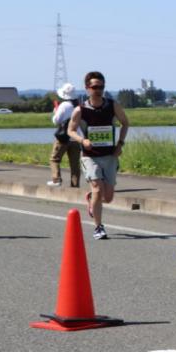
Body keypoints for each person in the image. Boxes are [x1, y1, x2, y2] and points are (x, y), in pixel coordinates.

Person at [67, 71, 130, 240]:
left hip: (109, 155)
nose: (98, 90)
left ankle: (92, 202)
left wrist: (120, 144)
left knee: (108, 198)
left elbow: (125, 123)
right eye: (94, 87)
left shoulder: (112, 105)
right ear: (87, 88)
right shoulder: (80, 110)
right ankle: (98, 227)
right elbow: (70, 130)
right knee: (96, 188)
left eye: (101, 87)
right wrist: (82, 140)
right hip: (90, 155)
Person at [48, 83, 82, 188]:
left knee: (54, 159)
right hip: (76, 137)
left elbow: (56, 121)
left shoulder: (64, 105)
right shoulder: (79, 105)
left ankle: (56, 179)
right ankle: (75, 185)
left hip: (64, 138)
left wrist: (55, 111)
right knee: (75, 165)